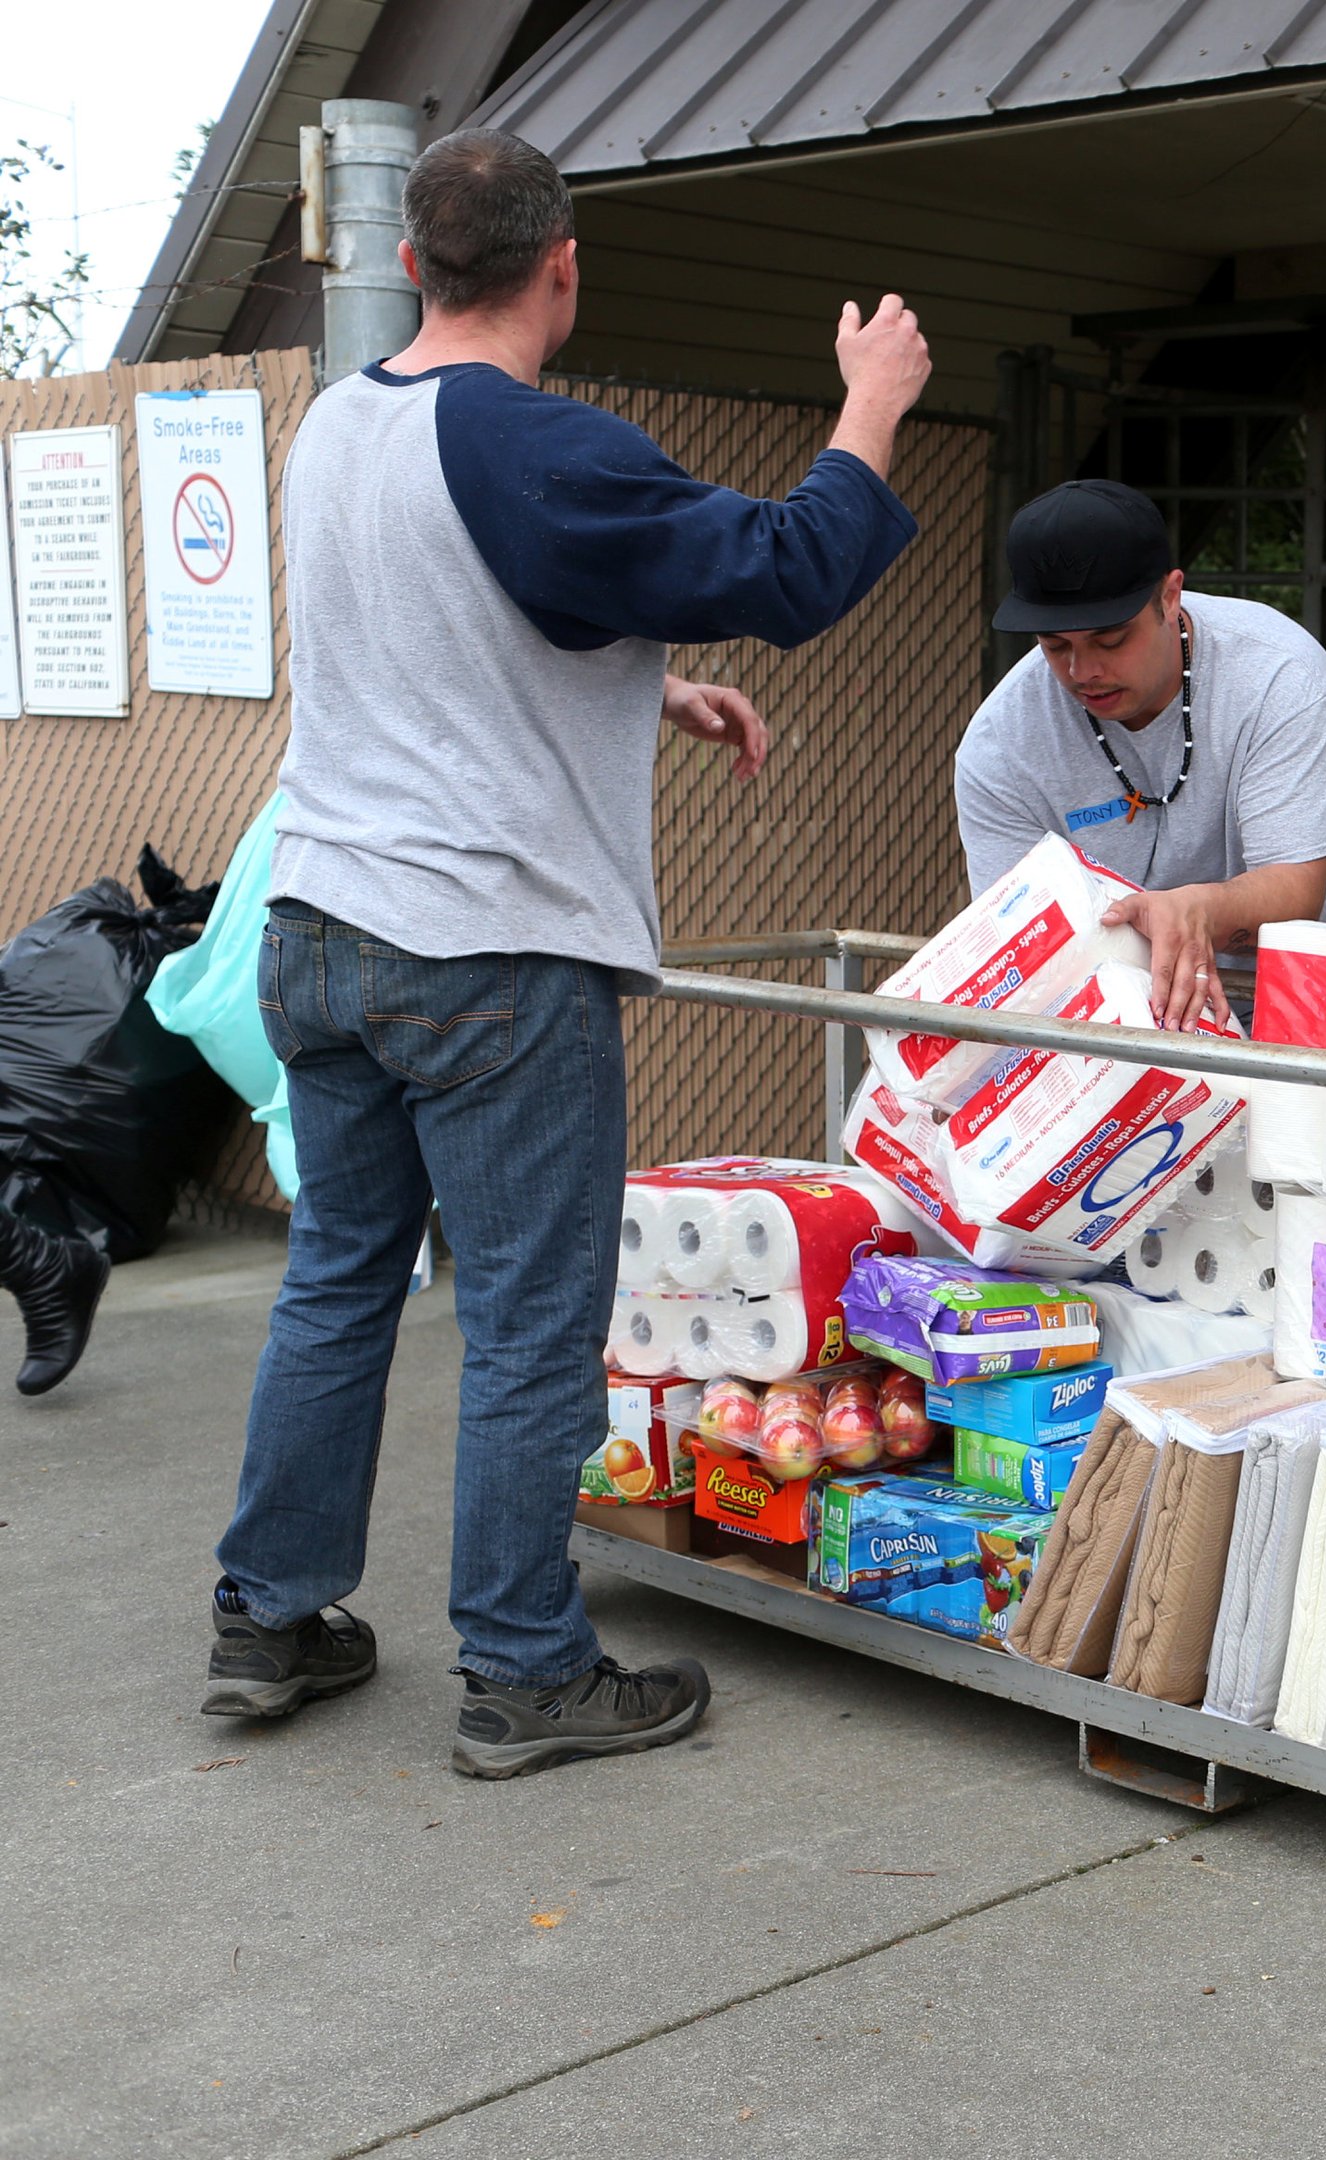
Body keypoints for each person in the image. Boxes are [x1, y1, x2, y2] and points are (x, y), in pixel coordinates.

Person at [205, 129, 932, 1777]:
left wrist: (642, 689)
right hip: (485, 958)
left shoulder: (339, 427)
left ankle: (269, 1621)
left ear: (411, 266)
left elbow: (442, 627)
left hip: (320, 930)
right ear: (564, 265)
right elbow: (786, 570)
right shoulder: (536, 445)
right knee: (535, 1319)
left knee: (338, 1285)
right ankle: (528, 1670)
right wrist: (869, 400)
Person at [956, 479, 1326, 1035]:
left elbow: (1296, 892)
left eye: (1110, 639)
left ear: (1170, 596)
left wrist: (1198, 910)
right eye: (1055, 646)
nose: (1083, 671)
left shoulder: (1279, 676)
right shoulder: (998, 747)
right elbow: (1025, 935)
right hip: (1156, 1006)